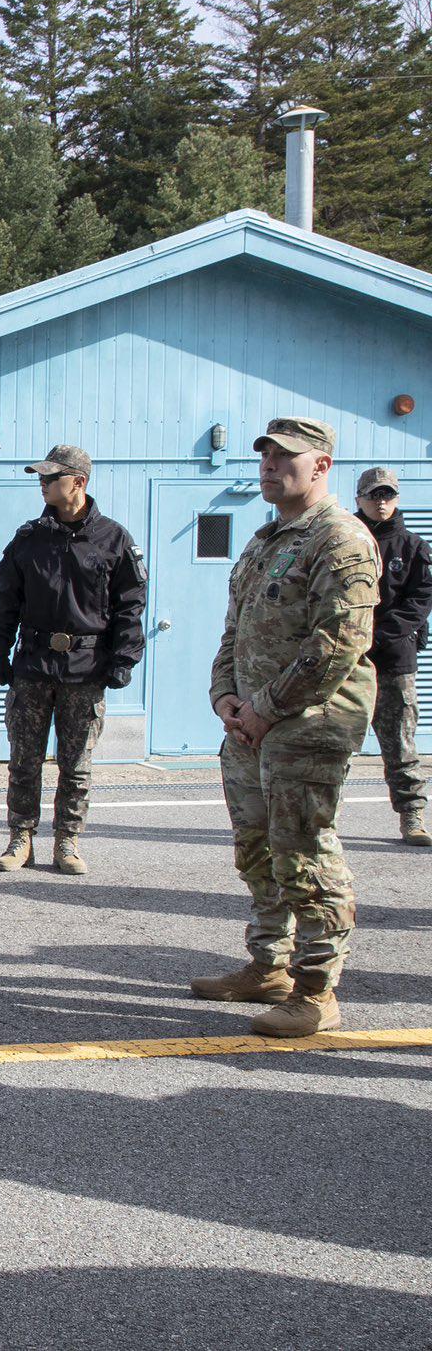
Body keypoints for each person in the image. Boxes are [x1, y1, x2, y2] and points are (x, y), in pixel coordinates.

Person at [193, 418, 378, 1038]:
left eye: (285, 457)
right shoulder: (266, 539)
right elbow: (236, 629)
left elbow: (341, 641)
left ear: (322, 466)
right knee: (256, 847)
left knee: (304, 849)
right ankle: (269, 964)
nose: (270, 466)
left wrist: (267, 707)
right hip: (251, 723)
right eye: (266, 455)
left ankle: (317, 991)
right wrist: (225, 696)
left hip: (310, 722)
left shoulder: (341, 539)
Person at [0, 444, 146, 875]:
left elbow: (130, 604)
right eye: (41, 477)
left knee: (76, 766)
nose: (42, 484)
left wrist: (124, 658)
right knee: (24, 761)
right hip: (34, 666)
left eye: (51, 477)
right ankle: (21, 839)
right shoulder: (29, 537)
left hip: (86, 668)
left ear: (78, 481)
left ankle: (67, 842)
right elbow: (7, 599)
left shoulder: (113, 539)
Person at [354, 466, 430, 845]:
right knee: (332, 744)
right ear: (359, 500)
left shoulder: (413, 547)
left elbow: (419, 601)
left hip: (393, 660)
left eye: (387, 495)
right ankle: (318, 821)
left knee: (400, 744)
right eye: (373, 495)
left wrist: (380, 636)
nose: (381, 502)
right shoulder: (343, 540)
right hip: (346, 660)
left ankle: (412, 817)